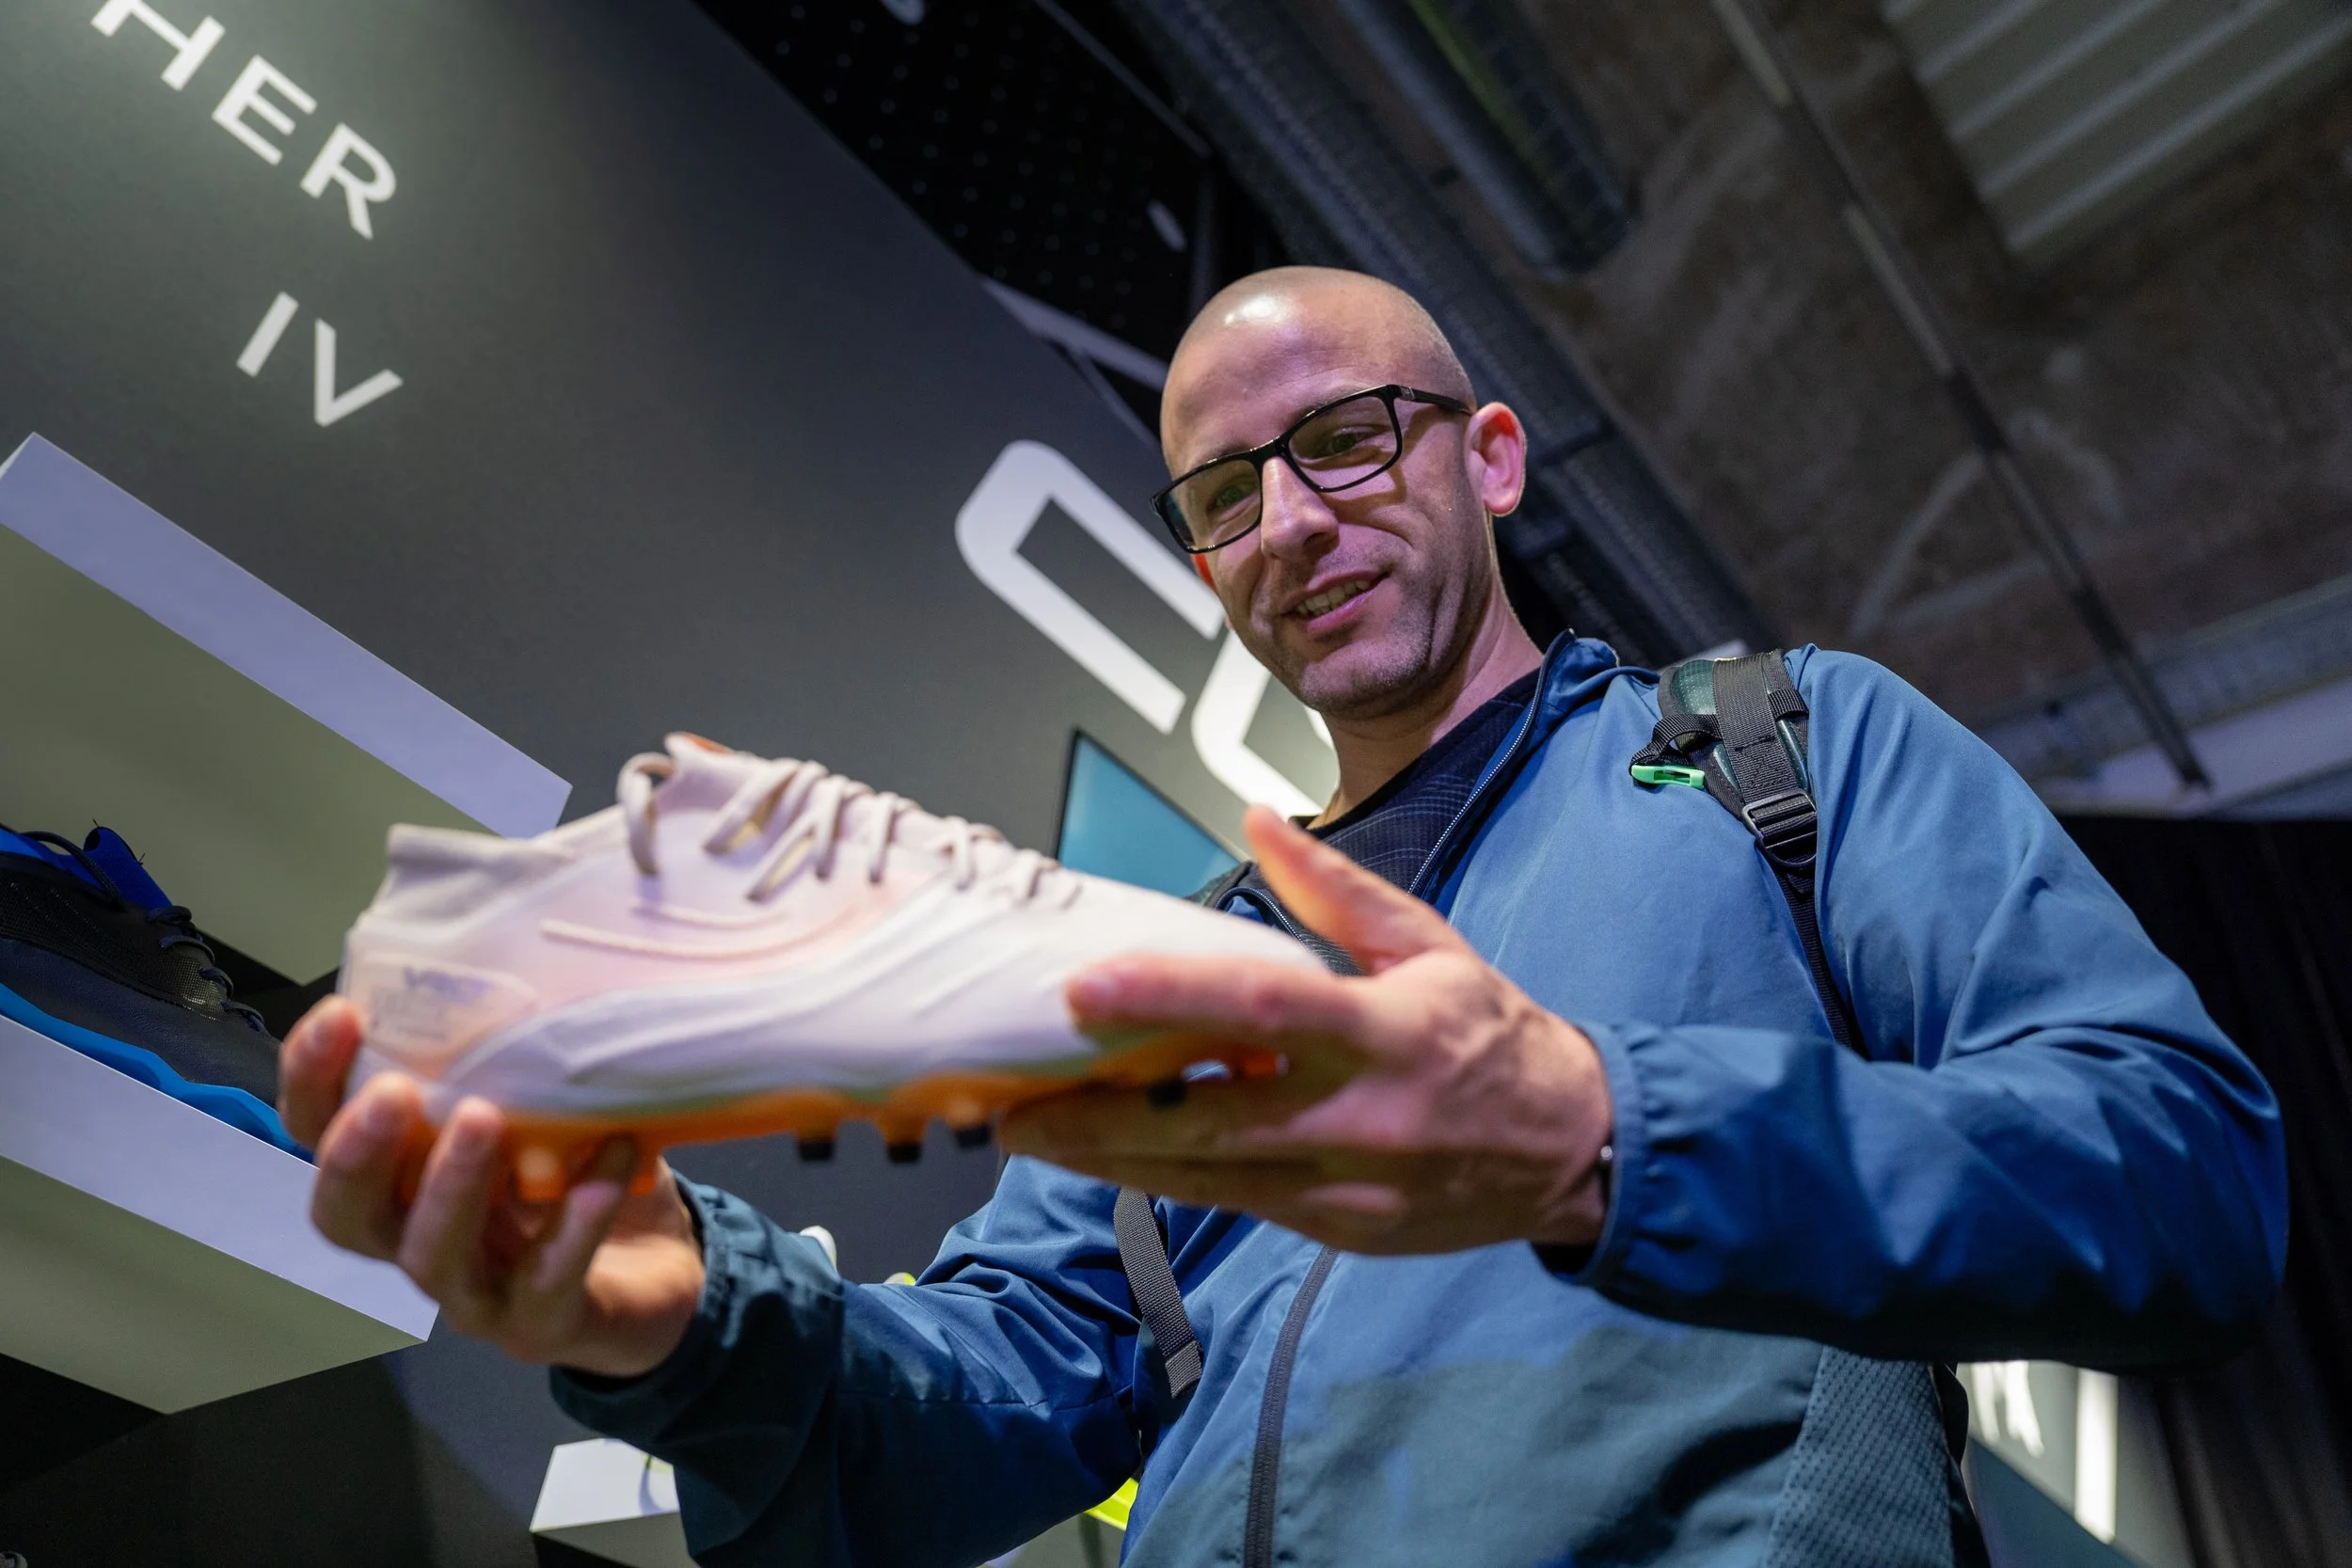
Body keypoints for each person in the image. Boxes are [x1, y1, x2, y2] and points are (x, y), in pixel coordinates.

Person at [280, 267, 2286, 1567]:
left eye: (1341, 439)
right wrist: (693, 1321)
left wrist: (1595, 1132)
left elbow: (2183, 1169)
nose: (1291, 525)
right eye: (1225, 495)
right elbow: (993, 1393)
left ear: (1490, 457)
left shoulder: (1782, 747)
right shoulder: (1189, 962)